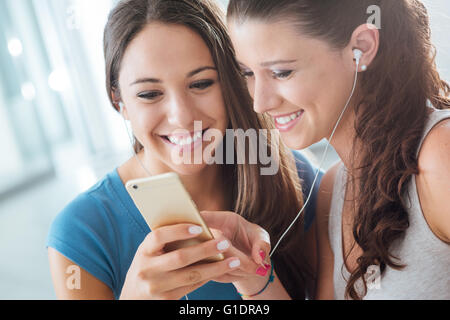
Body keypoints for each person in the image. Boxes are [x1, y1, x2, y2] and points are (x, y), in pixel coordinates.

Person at [46, 0, 322, 300]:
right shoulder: (81, 233)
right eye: (149, 94)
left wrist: (259, 282)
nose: (182, 116)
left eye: (201, 83)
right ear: (119, 101)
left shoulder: (295, 178)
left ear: (231, 81)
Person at [227, 0, 450, 299]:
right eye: (248, 73)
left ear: (362, 47)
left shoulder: (439, 156)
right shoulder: (334, 188)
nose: (261, 102)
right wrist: (252, 277)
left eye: (281, 72)